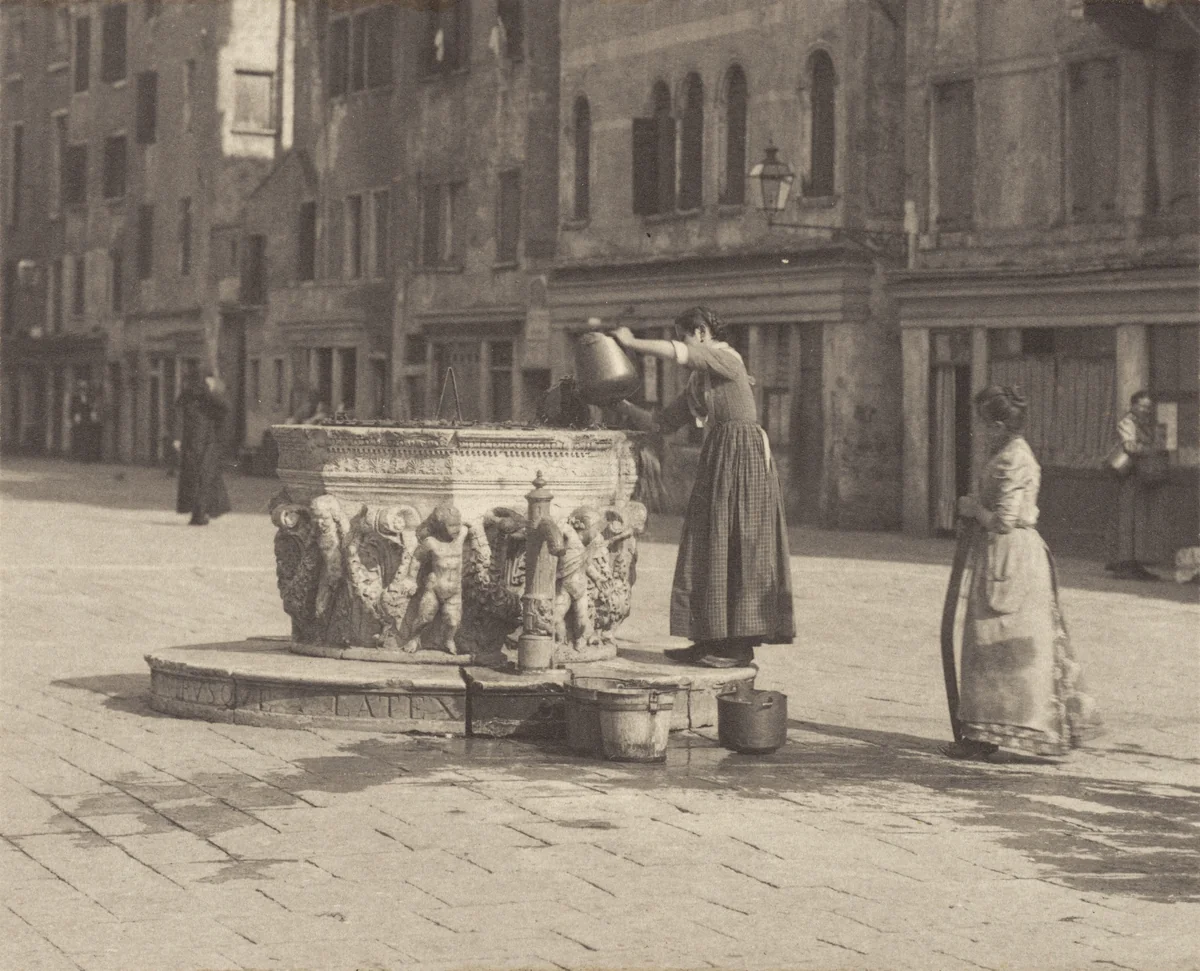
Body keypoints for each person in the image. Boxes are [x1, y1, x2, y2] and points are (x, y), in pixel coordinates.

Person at [611, 306, 795, 668]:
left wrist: (632, 343)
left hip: (743, 456)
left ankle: (739, 647)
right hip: (721, 456)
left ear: (700, 332)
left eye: (684, 335)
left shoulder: (727, 359)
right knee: (709, 542)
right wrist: (620, 405)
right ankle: (707, 638)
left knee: (741, 543)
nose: (682, 342)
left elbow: (681, 354)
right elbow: (662, 422)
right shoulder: (700, 383)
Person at [947, 385, 1102, 760]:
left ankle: (991, 733)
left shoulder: (1013, 458)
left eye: (984, 423)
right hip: (1006, 555)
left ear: (999, 425)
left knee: (997, 642)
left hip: (1011, 557)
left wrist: (972, 509)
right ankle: (985, 732)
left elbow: (1004, 520)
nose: (980, 430)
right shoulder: (1007, 453)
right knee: (996, 643)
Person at [1106, 390, 1159, 581]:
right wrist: (1151, 449)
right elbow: (1130, 447)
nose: (1146, 410)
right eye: (1142, 406)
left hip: (1139, 477)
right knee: (1126, 520)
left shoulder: (1143, 424)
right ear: (1133, 405)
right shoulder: (1127, 423)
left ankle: (1134, 562)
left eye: (1148, 407)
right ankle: (1124, 563)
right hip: (1127, 477)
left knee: (1137, 520)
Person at [175, 371, 231, 526]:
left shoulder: (186, 397)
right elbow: (225, 409)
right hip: (205, 444)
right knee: (204, 479)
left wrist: (177, 438)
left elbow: (178, 418)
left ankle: (198, 514)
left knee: (195, 479)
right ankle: (200, 514)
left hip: (192, 444)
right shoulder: (208, 399)